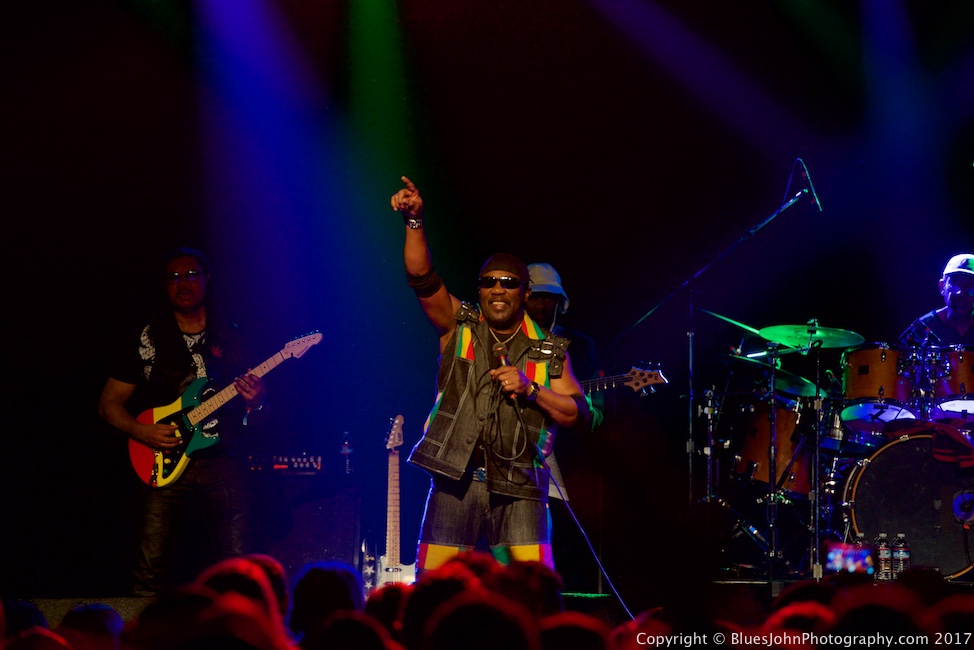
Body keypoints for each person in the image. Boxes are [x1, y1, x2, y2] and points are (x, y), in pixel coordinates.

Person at [390, 176, 590, 574]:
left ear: (525, 293)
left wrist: (532, 388)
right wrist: (415, 221)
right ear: (480, 291)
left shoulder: (550, 351)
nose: (498, 290)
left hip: (520, 489)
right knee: (436, 590)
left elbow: (577, 414)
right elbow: (422, 278)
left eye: (509, 283)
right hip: (453, 480)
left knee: (530, 595)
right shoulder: (458, 325)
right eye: (489, 283)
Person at [98, 247, 268, 596]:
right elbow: (108, 404)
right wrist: (141, 431)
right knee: (149, 568)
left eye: (191, 274)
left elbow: (262, 415)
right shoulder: (148, 339)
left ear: (207, 278)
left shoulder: (234, 338)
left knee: (238, 566)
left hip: (224, 461)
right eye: (173, 277)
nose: (183, 283)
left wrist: (257, 402)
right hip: (163, 461)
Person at [900, 252, 974, 347]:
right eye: (955, 284)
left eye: (971, 286)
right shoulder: (923, 328)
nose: (961, 293)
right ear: (942, 287)